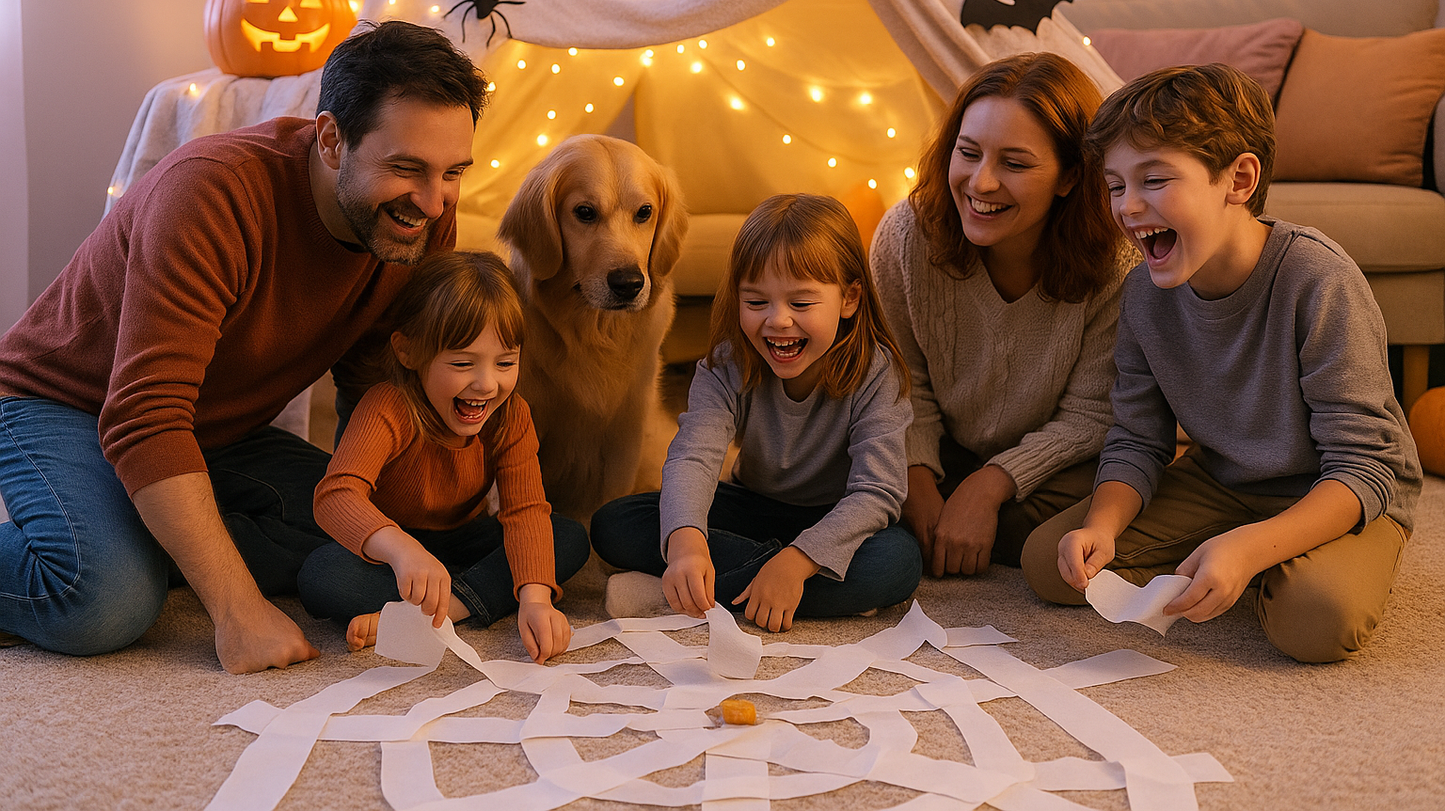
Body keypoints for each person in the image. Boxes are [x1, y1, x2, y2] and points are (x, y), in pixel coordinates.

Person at [0, 20, 488, 673]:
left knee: (355, 530)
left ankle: (140, 532)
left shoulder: (415, 217)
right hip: (65, 405)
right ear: (332, 139)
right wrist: (236, 609)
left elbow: (378, 389)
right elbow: (146, 417)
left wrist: (399, 516)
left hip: (217, 429)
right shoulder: (211, 193)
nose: (432, 202)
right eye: (405, 169)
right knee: (103, 602)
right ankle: (117, 553)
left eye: (453, 172)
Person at [1021, 63, 1422, 663]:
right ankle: (1240, 553)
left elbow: (1364, 466)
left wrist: (1251, 547)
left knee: (1313, 622)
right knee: (1049, 564)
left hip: (1336, 488)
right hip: (1222, 482)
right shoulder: (1142, 295)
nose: (1128, 207)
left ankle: (1269, 556)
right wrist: (1102, 526)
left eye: (1153, 180)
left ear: (1238, 179)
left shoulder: (1318, 279)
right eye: (1114, 186)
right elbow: (1137, 438)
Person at [591, 193, 921, 632]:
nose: (778, 321)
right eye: (756, 302)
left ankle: (670, 595)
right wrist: (688, 545)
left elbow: (877, 493)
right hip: (750, 507)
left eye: (801, 304)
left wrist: (798, 561)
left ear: (849, 299)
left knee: (897, 562)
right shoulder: (728, 363)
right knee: (615, 523)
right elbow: (694, 456)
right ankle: (807, 591)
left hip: (836, 516)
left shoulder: (878, 373)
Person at [870, 52, 1134, 578]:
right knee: (851, 495)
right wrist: (917, 477)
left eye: (1014, 164)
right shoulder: (905, 236)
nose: (981, 183)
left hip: (1057, 459)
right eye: (968, 153)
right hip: (940, 442)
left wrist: (989, 486)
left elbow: (1092, 415)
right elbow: (898, 381)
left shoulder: (1119, 263)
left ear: (1068, 177)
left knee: (1033, 542)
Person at [297, 252, 589, 663]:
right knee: (322, 576)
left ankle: (448, 608)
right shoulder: (388, 406)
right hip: (394, 547)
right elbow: (335, 496)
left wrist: (537, 600)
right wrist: (401, 550)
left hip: (467, 539)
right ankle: (463, 595)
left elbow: (525, 511)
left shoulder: (512, 414)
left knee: (566, 537)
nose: (487, 383)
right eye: (462, 363)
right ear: (409, 353)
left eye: (506, 362)